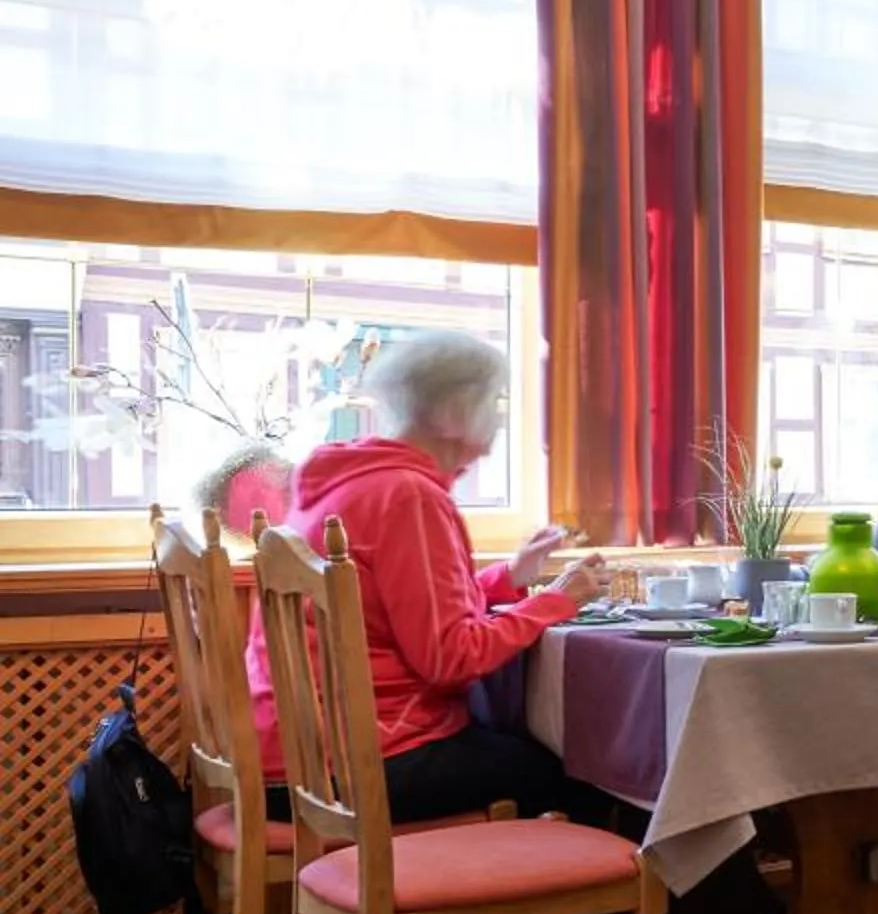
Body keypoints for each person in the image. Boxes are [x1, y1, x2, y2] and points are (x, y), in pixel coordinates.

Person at [246, 330, 608, 824]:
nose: (500, 417)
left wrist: (510, 576)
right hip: (359, 763)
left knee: (514, 746)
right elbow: (451, 658)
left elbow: (393, 610)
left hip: (290, 758)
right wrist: (556, 601)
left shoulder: (353, 481)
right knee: (583, 774)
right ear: (455, 412)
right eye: (495, 401)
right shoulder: (409, 497)